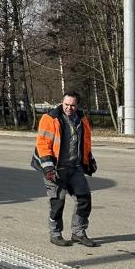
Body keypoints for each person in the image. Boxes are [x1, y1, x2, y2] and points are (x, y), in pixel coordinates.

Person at [31, 91, 99, 247]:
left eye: (73, 105)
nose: (69, 108)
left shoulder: (81, 118)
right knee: (57, 202)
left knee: (84, 199)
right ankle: (55, 234)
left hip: (74, 167)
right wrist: (48, 168)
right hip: (55, 168)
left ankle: (78, 232)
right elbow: (42, 145)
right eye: (66, 104)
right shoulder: (50, 119)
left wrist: (89, 160)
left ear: (77, 105)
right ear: (62, 103)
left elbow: (84, 142)